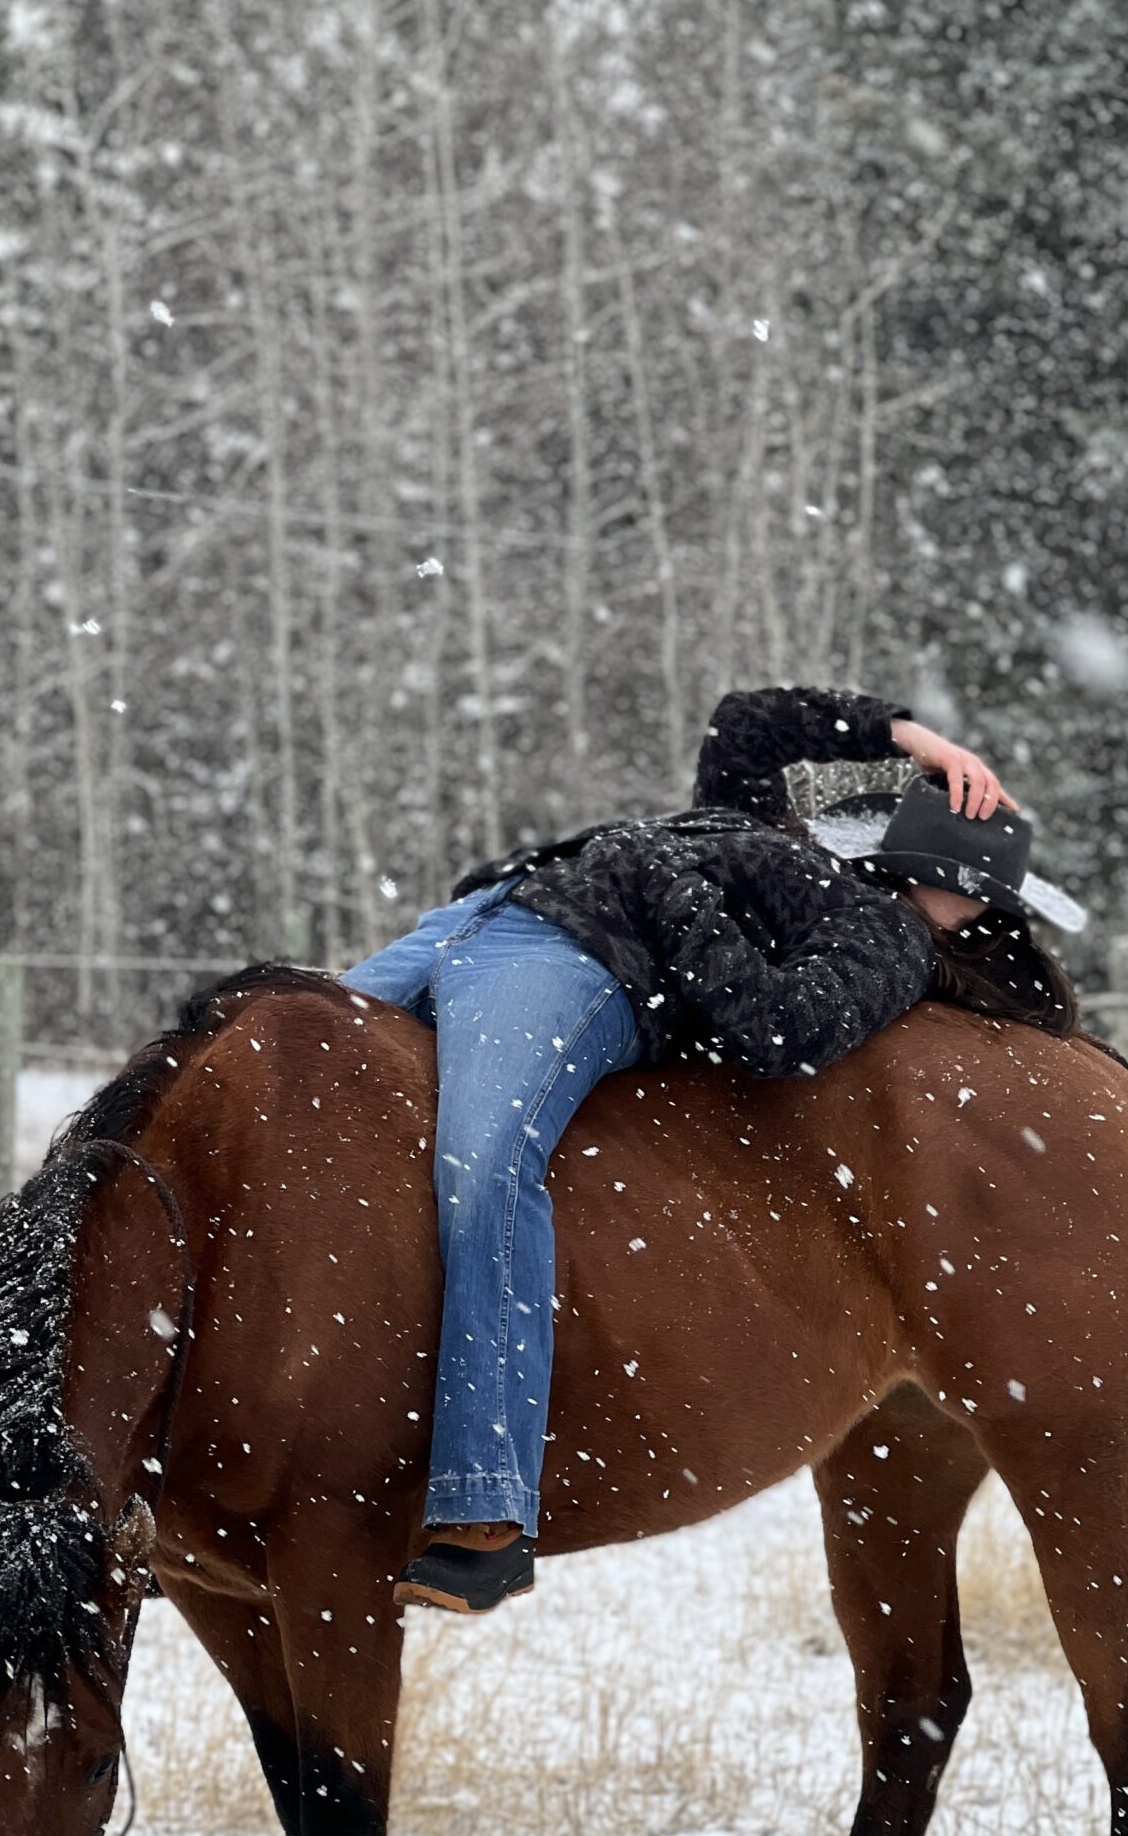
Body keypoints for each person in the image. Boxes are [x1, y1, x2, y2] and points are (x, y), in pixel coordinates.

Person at [341, 687, 1084, 1616]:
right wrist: (915, 738)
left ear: (975, 910)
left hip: (575, 955)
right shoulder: (778, 841)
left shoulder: (887, 938)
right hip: (480, 916)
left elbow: (777, 1029)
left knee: (482, 1170)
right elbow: (746, 722)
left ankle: (484, 1506)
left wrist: (659, 876)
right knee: (282, 1092)